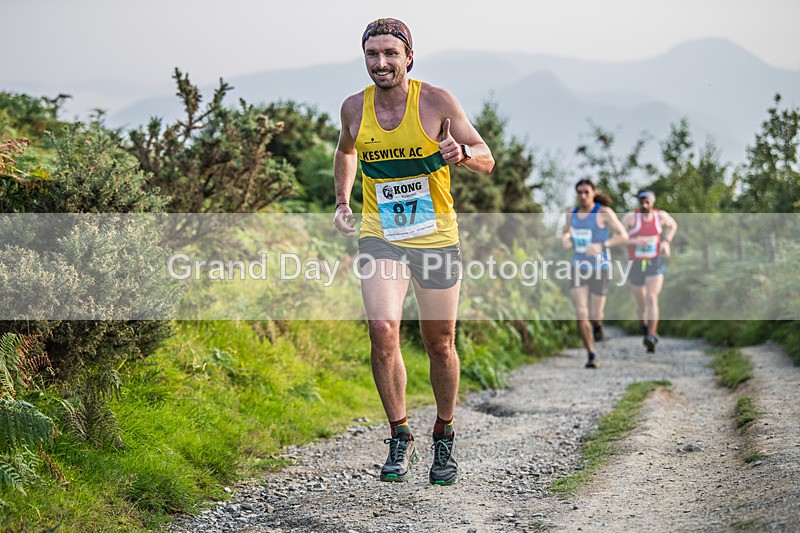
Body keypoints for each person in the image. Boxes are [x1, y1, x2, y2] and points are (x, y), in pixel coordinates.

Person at [332, 18, 494, 485]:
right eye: (372, 54)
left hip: (435, 237)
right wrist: (343, 201)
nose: (380, 63)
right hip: (380, 234)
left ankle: (444, 432)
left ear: (409, 57)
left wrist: (461, 156)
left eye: (389, 53)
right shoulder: (353, 108)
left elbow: (487, 157)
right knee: (382, 330)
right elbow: (346, 152)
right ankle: (399, 435)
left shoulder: (437, 102)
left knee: (439, 343)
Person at [561, 179, 628, 368]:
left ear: (593, 193)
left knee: (595, 315)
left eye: (586, 192)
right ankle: (591, 353)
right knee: (581, 312)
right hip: (578, 268)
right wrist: (566, 239)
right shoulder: (571, 214)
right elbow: (565, 232)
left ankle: (598, 325)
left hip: (600, 268)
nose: (582, 196)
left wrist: (602, 245)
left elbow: (623, 236)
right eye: (579, 192)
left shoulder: (604, 212)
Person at [622, 189, 678, 353]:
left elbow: (673, 225)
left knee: (652, 297)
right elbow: (619, 236)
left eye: (648, 202)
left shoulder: (660, 216)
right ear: (638, 202)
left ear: (652, 202)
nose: (645, 205)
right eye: (642, 202)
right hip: (635, 264)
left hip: (654, 261)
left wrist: (666, 241)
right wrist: (634, 241)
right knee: (641, 303)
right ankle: (645, 328)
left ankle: (651, 337)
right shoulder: (630, 218)